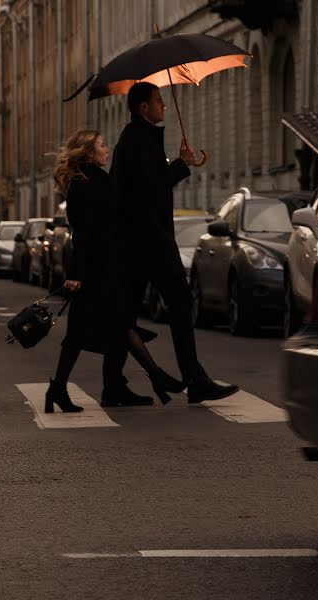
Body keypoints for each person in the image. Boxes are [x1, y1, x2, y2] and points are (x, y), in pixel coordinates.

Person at [110, 82, 239, 403]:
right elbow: (147, 188)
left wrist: (177, 164)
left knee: (125, 314)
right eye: (158, 101)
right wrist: (180, 167)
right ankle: (195, 379)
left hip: (141, 240)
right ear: (143, 107)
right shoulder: (135, 140)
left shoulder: (139, 138)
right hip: (149, 240)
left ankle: (113, 384)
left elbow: (148, 182)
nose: (164, 105)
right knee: (181, 304)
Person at [45, 128, 183, 413]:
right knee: (101, 328)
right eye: (102, 145)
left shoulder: (100, 179)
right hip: (96, 270)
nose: (107, 149)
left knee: (104, 328)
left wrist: (176, 168)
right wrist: (77, 274)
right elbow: (83, 233)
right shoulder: (83, 184)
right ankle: (156, 375)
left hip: (109, 267)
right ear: (88, 152)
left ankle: (60, 388)